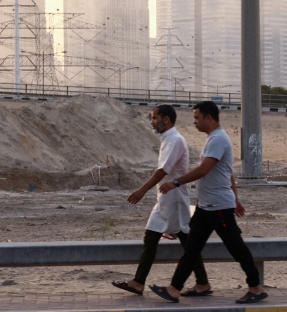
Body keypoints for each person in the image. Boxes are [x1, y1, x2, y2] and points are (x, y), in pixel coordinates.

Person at [150, 101, 267, 305]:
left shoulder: (218, 140)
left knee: (236, 247)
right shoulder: (213, 139)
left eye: (197, 118)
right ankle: (176, 289)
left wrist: (176, 182)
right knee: (192, 249)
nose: (194, 122)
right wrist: (237, 199)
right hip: (206, 207)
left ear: (208, 118)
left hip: (218, 207)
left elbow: (204, 170)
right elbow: (227, 172)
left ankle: (255, 287)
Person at [112, 104, 212, 297]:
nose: (152, 122)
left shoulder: (174, 140)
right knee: (153, 237)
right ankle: (139, 282)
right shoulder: (168, 139)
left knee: (185, 240)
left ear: (166, 120)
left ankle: (202, 282)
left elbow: (163, 171)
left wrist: (142, 190)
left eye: (154, 118)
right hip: (166, 199)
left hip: (174, 199)